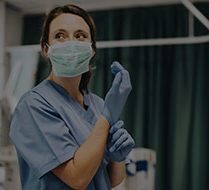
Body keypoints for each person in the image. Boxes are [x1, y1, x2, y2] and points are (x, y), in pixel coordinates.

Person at [9, 4, 134, 190]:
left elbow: (111, 180)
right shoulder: (33, 105)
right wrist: (107, 116)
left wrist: (118, 159)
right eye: (60, 35)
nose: (71, 43)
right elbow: (77, 178)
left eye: (80, 35)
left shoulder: (98, 104)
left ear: (91, 50)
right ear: (45, 48)